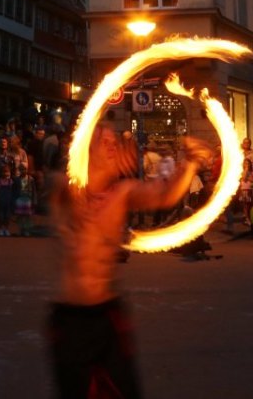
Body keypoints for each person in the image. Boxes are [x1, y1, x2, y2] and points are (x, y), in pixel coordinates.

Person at [47, 123, 211, 398]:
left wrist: (191, 163)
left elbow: (165, 194)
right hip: (70, 320)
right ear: (86, 148)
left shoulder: (122, 194)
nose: (114, 147)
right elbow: (61, 193)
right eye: (105, 142)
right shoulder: (68, 191)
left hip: (108, 316)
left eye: (116, 143)